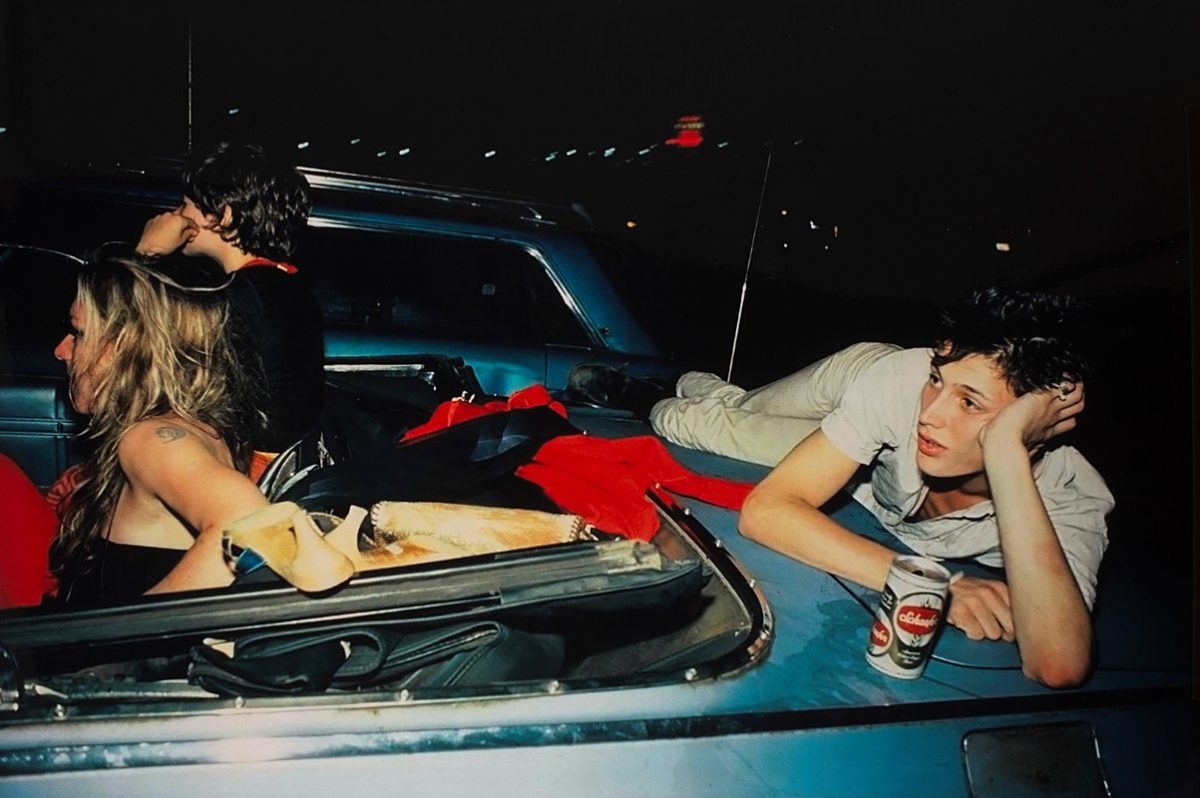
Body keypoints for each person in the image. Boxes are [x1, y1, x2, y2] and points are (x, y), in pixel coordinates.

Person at [729, 286, 1112, 688]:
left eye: (970, 403)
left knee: (725, 429)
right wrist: (934, 589)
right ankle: (687, 388)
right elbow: (765, 511)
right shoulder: (904, 385)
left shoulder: (1071, 494)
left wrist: (1006, 450)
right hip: (864, 376)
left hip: (858, 449)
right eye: (937, 380)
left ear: (1037, 429)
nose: (929, 414)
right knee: (716, 417)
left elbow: (1057, 665)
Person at [42, 249, 271, 603]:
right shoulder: (189, 426)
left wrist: (127, 637)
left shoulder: (149, 438)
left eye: (79, 333)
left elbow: (251, 525)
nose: (61, 350)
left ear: (125, 349)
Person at [136, 143, 324, 477]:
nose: (176, 215)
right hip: (289, 461)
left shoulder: (239, 294)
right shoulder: (285, 282)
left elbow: (120, 331)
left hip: (254, 468)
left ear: (222, 215)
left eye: (185, 205)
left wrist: (147, 253)